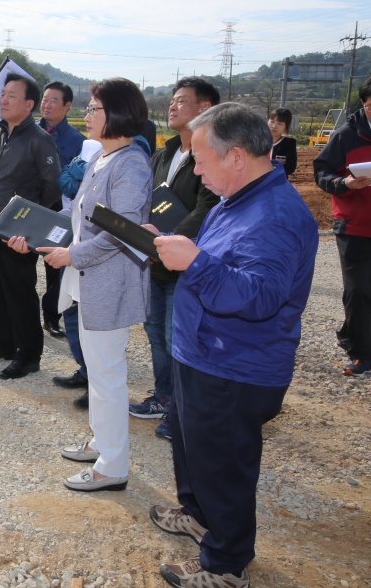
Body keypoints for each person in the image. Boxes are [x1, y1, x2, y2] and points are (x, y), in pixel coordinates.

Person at [151, 102, 318, 588]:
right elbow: (218, 259)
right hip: (202, 351)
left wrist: (195, 264)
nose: (197, 171)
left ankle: (225, 564)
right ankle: (199, 518)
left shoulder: (274, 216)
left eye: (202, 160)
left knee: (222, 466)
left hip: (234, 364)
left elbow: (262, 297)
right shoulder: (239, 197)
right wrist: (169, 243)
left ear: (237, 156)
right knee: (194, 448)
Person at [23, 78, 152, 492]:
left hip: (108, 282)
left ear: (116, 113)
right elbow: (84, 222)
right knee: (97, 372)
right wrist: (53, 242)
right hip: (87, 277)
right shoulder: (103, 157)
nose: (88, 115)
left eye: (95, 108)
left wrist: (72, 256)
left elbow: (123, 231)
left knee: (108, 374)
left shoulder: (130, 162)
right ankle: (101, 440)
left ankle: (112, 466)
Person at [130, 77, 220, 439]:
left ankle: (183, 411)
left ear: (205, 108)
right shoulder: (163, 153)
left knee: (178, 338)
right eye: (172, 100)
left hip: (185, 264)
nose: (172, 106)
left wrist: (166, 240)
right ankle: (164, 397)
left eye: (182, 100)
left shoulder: (208, 156)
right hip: (155, 262)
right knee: (155, 334)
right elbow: (145, 202)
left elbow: (207, 208)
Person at [0, 74, 61, 379]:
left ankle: (28, 355)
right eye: (2, 95)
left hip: (17, 235)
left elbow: (52, 188)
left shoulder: (39, 139)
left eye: (11, 96)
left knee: (20, 294)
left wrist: (31, 225)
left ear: (29, 104)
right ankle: (3, 343)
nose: (3, 101)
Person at [314, 79, 371, 376]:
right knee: (359, 290)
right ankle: (363, 355)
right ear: (364, 102)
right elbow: (321, 173)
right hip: (355, 226)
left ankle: (351, 332)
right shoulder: (346, 136)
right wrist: (344, 183)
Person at [51, 138, 103, 409]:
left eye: (95, 109)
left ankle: (96, 385)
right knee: (70, 312)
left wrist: (73, 172)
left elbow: (72, 183)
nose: (88, 115)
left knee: (90, 321)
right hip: (71, 241)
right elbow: (66, 181)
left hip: (89, 252)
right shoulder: (87, 145)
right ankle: (84, 371)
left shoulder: (125, 156)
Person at [37, 81, 85, 338]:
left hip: (60, 209)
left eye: (54, 100)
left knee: (55, 267)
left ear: (67, 105)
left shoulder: (78, 141)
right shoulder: (30, 131)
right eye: (45, 99)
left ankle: (52, 316)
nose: (47, 104)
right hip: (32, 206)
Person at [268, 108, 297, 176]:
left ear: (286, 126)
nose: (274, 126)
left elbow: (290, 167)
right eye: (272, 121)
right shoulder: (257, 140)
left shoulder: (289, 144)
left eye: (279, 123)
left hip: (277, 183)